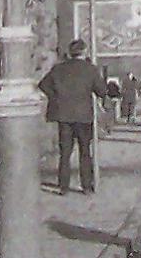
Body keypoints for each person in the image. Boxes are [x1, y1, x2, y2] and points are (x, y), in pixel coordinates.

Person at [38, 38, 107, 194]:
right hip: (84, 116)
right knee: (84, 151)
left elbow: (43, 85)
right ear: (84, 52)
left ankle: (63, 187)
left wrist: (56, 98)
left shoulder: (58, 69)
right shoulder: (90, 69)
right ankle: (87, 186)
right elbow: (101, 91)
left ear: (70, 53)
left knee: (65, 152)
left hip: (64, 116)